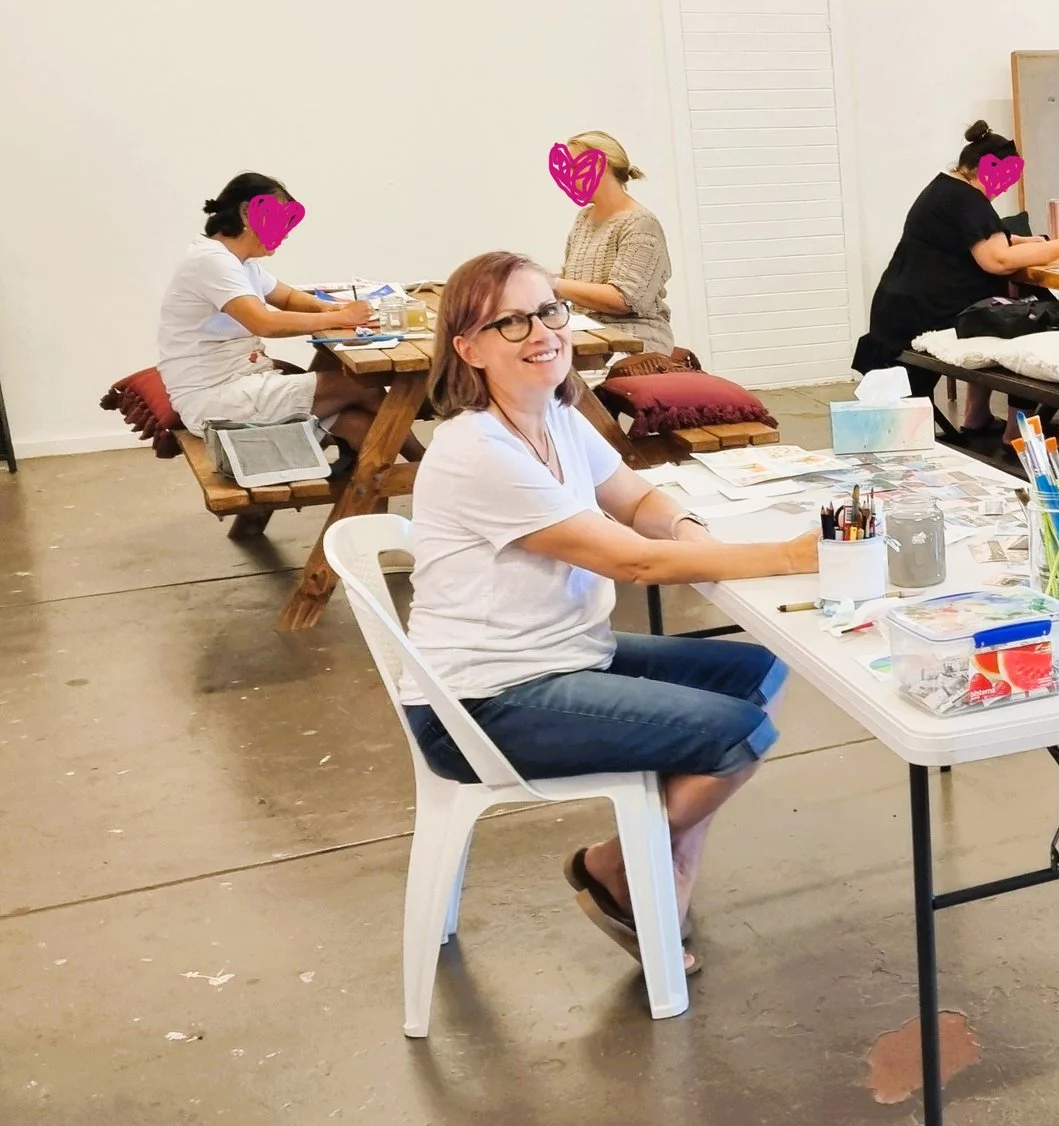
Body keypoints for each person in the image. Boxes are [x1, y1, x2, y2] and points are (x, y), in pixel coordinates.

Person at [399, 250, 818, 973]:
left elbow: (636, 500)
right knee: (738, 733)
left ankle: (661, 874)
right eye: (512, 322)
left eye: (549, 311)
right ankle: (618, 866)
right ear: (468, 349)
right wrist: (785, 555)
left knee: (751, 669)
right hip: (483, 700)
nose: (542, 333)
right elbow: (632, 561)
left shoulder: (556, 415)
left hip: (562, 652)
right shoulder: (479, 451)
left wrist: (693, 532)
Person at [852, 120, 1059, 432]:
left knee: (1001, 312)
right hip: (923, 316)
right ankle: (1019, 432)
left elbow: (979, 239)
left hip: (901, 308)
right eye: (1003, 177)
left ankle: (977, 417)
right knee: (1035, 323)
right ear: (980, 169)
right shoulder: (966, 199)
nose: (1005, 186)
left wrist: (1025, 241)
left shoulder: (946, 187)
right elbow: (998, 260)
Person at [157, 172, 388, 447]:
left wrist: (328, 309)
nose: (286, 232)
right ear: (247, 214)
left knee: (357, 425)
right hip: (216, 400)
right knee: (364, 385)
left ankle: (403, 476)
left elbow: (288, 297)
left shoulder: (239, 262)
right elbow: (264, 323)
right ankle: (426, 466)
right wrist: (341, 318)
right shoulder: (212, 262)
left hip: (240, 385)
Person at [553, 131, 678, 353]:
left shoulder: (640, 223)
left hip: (635, 339)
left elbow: (626, 300)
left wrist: (554, 284)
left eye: (573, 168)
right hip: (590, 332)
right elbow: (570, 283)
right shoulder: (584, 218)